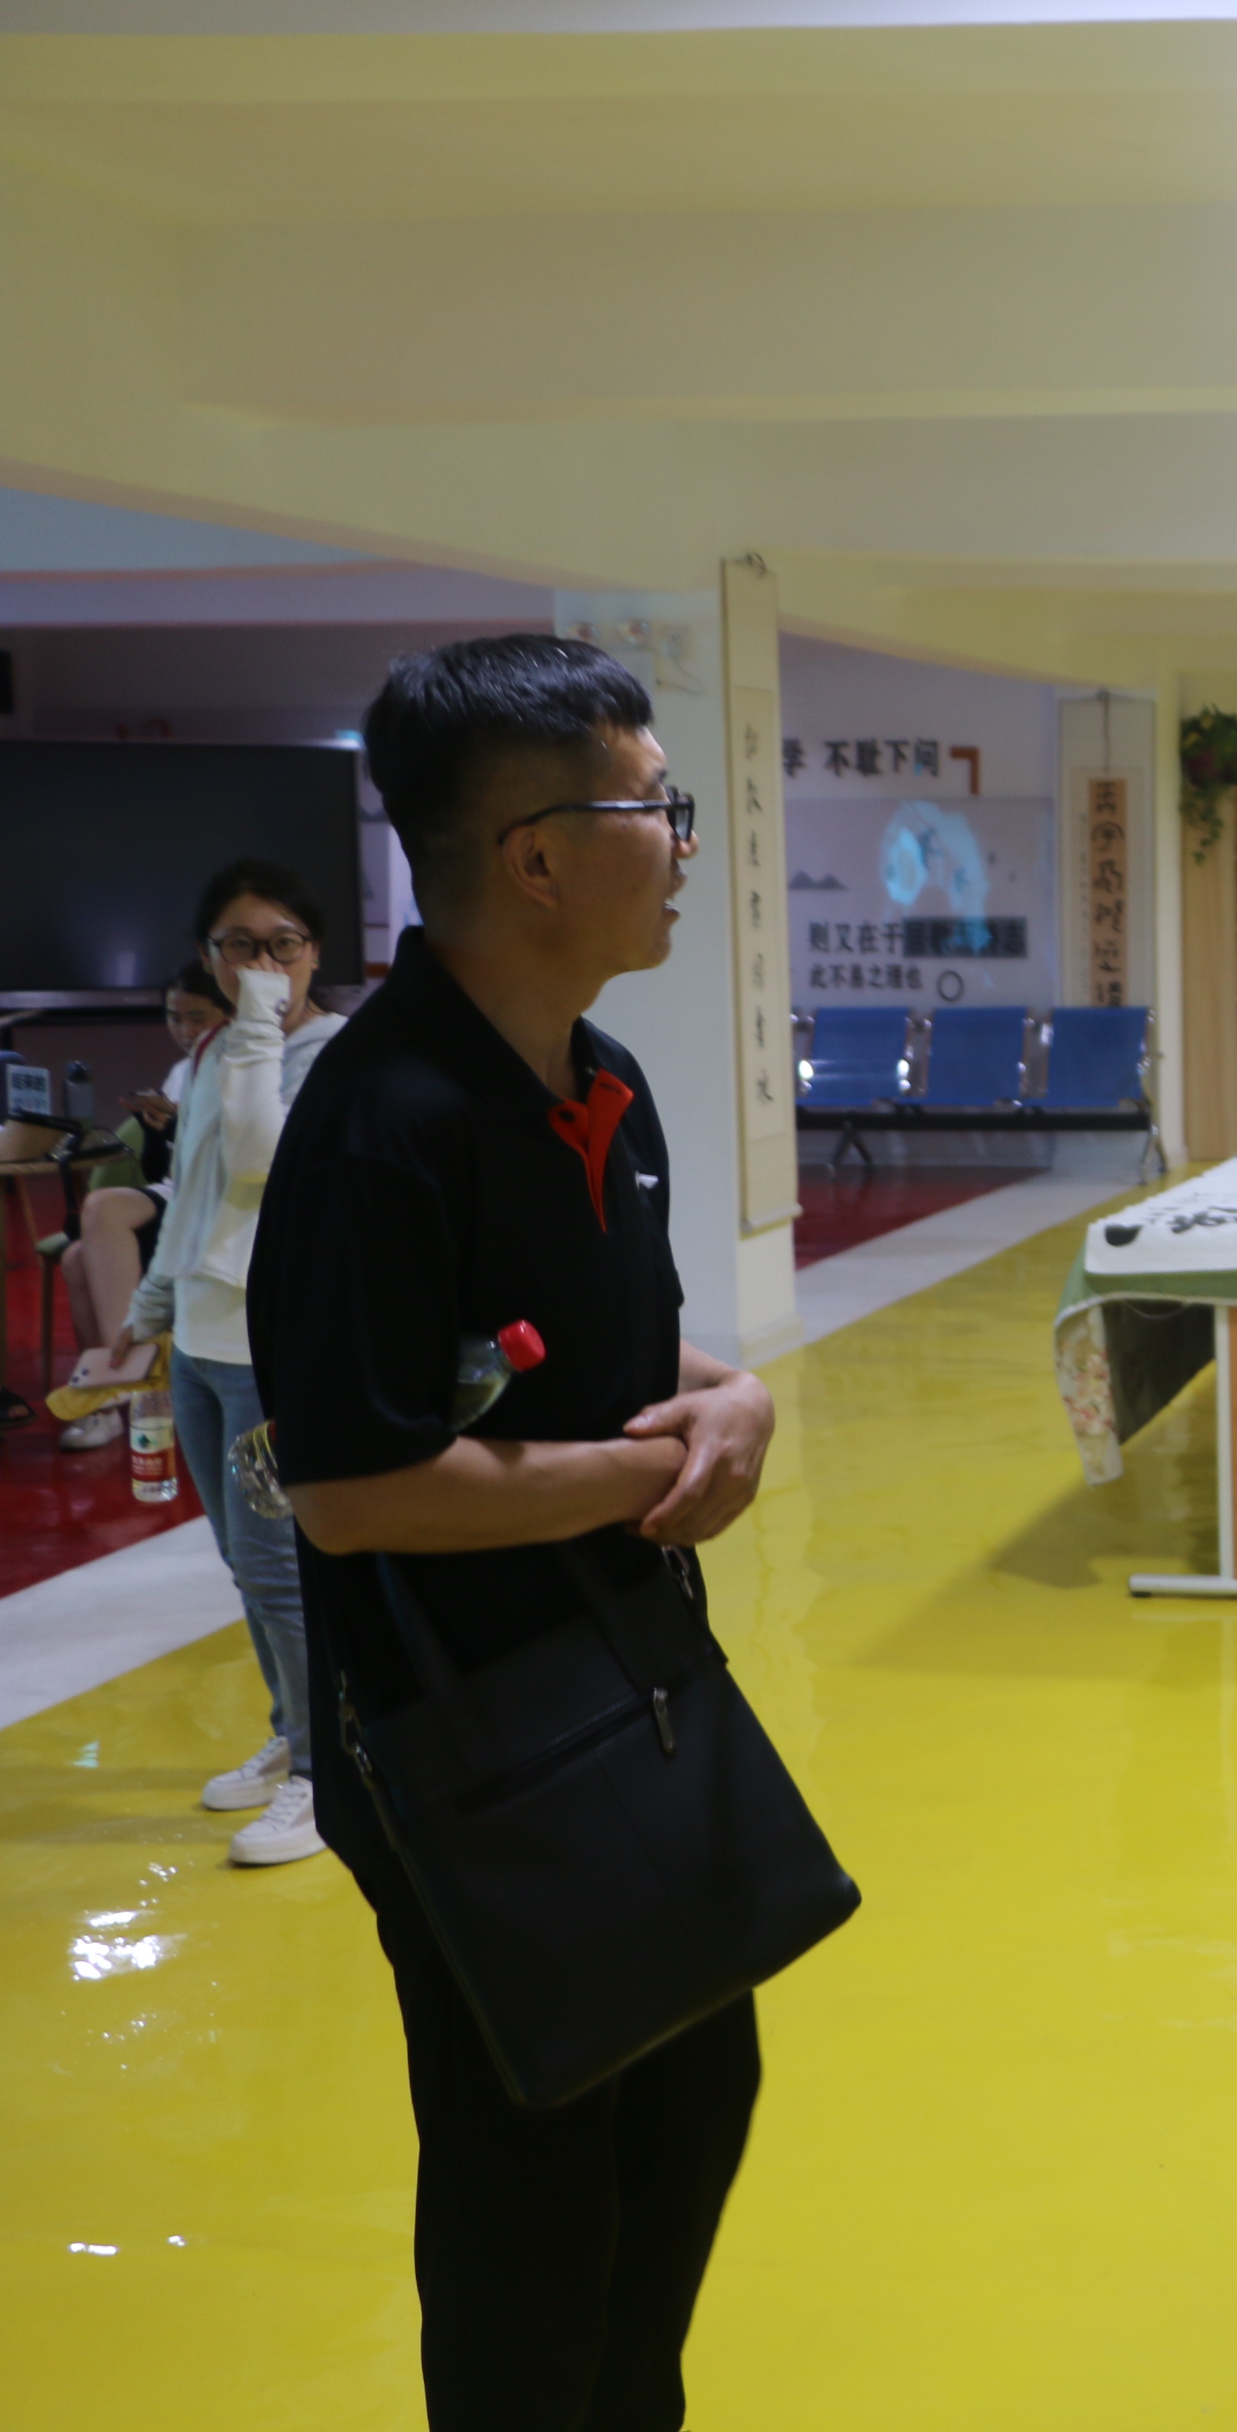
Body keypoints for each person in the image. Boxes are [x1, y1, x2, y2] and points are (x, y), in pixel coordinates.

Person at [249, 633, 778, 2432]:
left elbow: (601, 1350)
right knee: (534, 2176)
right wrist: (643, 1477)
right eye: (657, 810)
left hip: (621, 1687)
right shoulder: (384, 1122)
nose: (683, 846)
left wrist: (727, 1396)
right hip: (466, 1738)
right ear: (538, 854)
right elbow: (351, 1483)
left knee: (688, 2100)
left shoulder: (591, 1077)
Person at [116, 875, 349, 1864]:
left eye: (282, 943)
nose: (261, 965)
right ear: (207, 955)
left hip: (273, 1353)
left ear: (315, 952)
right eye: (237, 946)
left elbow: (262, 1160)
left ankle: (326, 1772)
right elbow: (198, 1189)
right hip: (204, 1351)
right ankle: (293, 1730)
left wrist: (256, 1018)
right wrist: (149, 1311)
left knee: (281, 1568)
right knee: (243, 1563)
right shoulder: (212, 1052)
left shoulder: (333, 1052)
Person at [51, 962, 227, 1450]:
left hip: (219, 1206)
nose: (184, 1030)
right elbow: (160, 1171)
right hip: (177, 1197)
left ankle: (131, 1378)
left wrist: (182, 1126)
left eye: (197, 1017)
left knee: (104, 1208)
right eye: (174, 1017)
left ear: (229, 1013)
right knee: (76, 1258)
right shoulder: (182, 1071)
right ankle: (110, 1407)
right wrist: (158, 1132)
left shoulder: (246, 1067)